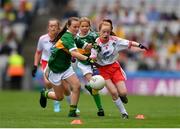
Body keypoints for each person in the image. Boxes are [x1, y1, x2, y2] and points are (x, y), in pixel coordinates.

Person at [90, 21, 148, 119]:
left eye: (108, 32)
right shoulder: (96, 44)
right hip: (103, 70)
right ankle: (124, 113)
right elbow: (93, 57)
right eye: (103, 32)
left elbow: (128, 42)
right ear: (99, 32)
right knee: (113, 92)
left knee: (123, 93)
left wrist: (139, 45)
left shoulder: (115, 40)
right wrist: (93, 63)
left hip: (114, 67)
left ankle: (123, 96)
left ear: (110, 32)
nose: (106, 34)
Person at [40, 17, 92, 117]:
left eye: (78, 27)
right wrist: (88, 59)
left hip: (66, 67)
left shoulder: (74, 36)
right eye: (74, 27)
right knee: (59, 97)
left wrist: (96, 43)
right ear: (68, 26)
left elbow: (86, 46)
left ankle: (72, 112)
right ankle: (45, 94)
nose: (77, 29)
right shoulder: (67, 37)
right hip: (54, 70)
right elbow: (74, 53)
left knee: (77, 86)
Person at [32, 18, 78, 113]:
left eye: (55, 26)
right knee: (49, 83)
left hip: (61, 64)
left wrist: (72, 56)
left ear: (59, 28)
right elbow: (38, 52)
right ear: (48, 28)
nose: (53, 28)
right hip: (47, 63)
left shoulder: (63, 37)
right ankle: (56, 104)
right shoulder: (43, 39)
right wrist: (35, 65)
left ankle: (73, 108)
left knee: (66, 90)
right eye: (51, 26)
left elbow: (68, 50)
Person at [75, 17, 105, 116]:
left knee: (96, 85)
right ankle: (100, 109)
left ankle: (89, 87)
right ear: (79, 27)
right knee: (94, 83)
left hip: (94, 63)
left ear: (89, 26)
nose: (84, 28)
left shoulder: (94, 35)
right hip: (84, 64)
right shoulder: (76, 37)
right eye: (82, 26)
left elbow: (102, 42)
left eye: (87, 26)